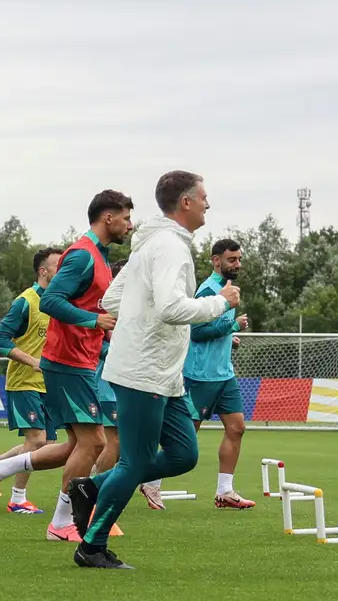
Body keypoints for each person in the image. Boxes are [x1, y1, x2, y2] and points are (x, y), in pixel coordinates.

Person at [70, 171, 239, 569]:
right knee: (134, 463)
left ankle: (91, 487)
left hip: (164, 373)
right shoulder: (169, 247)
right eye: (203, 197)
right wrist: (222, 303)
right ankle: (91, 546)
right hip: (143, 372)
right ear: (185, 202)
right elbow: (170, 309)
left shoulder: (154, 244)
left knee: (183, 455)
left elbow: (111, 299)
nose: (208, 204)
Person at [0, 191, 132, 541]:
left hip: (80, 361)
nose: (130, 224)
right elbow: (50, 300)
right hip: (67, 362)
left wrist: (107, 334)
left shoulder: (100, 257)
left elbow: (94, 313)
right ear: (107, 217)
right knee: (95, 442)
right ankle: (62, 522)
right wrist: (95, 323)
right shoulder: (82, 255)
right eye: (125, 217)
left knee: (74, 446)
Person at [0, 247, 63, 515]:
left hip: (49, 384)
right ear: (43, 271)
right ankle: (18, 499)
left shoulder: (58, 303)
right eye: (59, 265)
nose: (64, 269)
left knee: (42, 445)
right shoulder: (26, 301)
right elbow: (0, 339)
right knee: (36, 441)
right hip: (24, 382)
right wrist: (33, 361)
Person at [183, 237, 255, 509]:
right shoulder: (208, 291)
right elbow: (197, 332)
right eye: (231, 259)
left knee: (237, 428)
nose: (237, 264)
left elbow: (217, 329)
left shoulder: (228, 289)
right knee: (186, 439)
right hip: (201, 375)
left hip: (224, 375)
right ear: (216, 260)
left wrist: (229, 337)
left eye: (239, 259)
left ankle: (225, 491)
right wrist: (232, 327)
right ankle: (151, 482)